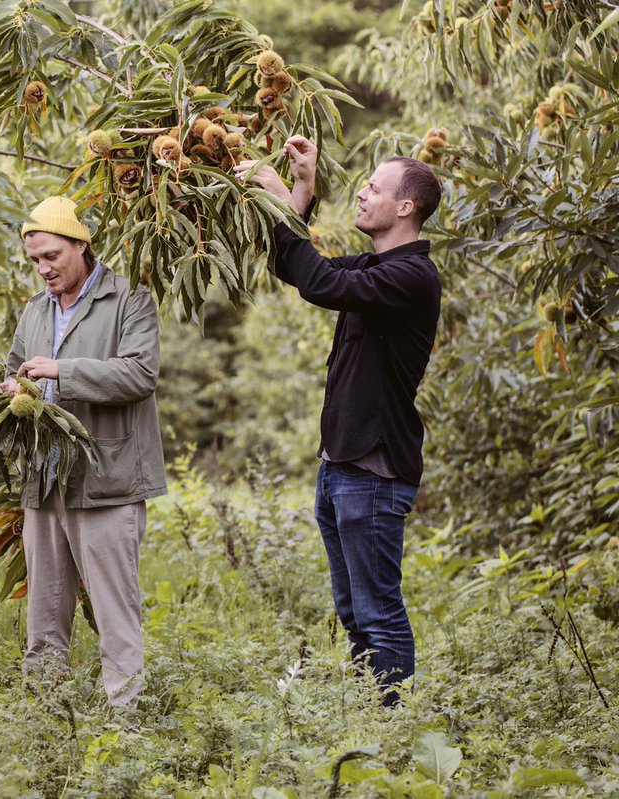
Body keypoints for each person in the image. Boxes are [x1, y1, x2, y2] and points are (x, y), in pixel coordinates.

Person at [234, 137, 442, 705]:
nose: (362, 191)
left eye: (374, 187)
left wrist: (277, 190)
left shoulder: (411, 277)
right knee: (354, 612)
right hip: (342, 464)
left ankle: (393, 729)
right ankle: (371, 719)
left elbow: (323, 283)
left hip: (373, 471)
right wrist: (298, 193)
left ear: (406, 207)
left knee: (378, 611)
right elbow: (297, 268)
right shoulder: (379, 267)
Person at [0, 195, 166, 708]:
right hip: (44, 480)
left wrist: (62, 371)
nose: (43, 269)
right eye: (35, 261)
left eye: (52, 256)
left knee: (116, 614)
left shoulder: (130, 298)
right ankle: (46, 717)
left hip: (108, 479)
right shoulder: (33, 310)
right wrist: (11, 389)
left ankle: (124, 727)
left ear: (81, 244)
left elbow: (140, 374)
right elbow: (16, 368)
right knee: (44, 615)